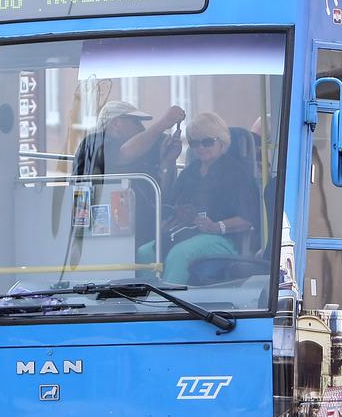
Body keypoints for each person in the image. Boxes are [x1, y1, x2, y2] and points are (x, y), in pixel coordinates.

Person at [142, 112, 260, 285]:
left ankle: (166, 306)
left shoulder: (237, 173)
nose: (201, 148)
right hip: (187, 233)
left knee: (180, 253)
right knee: (145, 252)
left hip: (224, 239)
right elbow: (169, 200)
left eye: (207, 142)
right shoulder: (190, 172)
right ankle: (143, 303)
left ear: (222, 141)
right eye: (195, 143)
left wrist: (216, 226)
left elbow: (248, 219)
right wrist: (177, 214)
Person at [72, 100, 186, 236]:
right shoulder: (93, 143)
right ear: (116, 123)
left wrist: (167, 162)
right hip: (102, 228)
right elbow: (122, 155)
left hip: (139, 225)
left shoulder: (140, 152)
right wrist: (164, 123)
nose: (142, 128)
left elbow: (160, 192)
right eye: (136, 122)